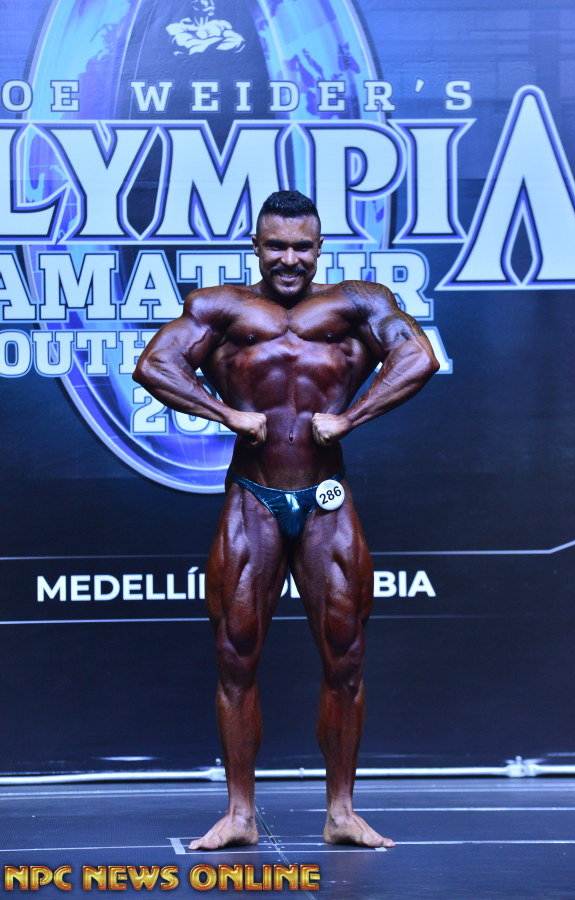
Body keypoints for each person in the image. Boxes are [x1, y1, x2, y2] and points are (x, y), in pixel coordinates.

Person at [133, 190, 439, 850]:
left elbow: (419, 357)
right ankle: (240, 815)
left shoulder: (359, 302)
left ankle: (341, 813)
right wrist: (227, 414)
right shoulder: (222, 307)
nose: (290, 259)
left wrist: (350, 418)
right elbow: (154, 363)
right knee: (235, 656)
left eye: (302, 246)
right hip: (253, 496)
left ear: (320, 247)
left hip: (326, 497)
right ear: (256, 245)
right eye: (276, 246)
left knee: (346, 657)